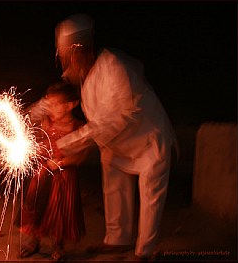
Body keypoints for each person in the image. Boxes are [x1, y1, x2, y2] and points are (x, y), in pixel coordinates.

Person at [52, 14, 178, 260]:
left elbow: (113, 120)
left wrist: (66, 144)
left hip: (148, 141)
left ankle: (145, 251)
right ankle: (118, 239)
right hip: (117, 143)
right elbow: (54, 101)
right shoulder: (81, 74)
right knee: (112, 179)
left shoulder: (114, 66)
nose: (63, 60)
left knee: (150, 197)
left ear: (78, 50)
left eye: (65, 54)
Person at [16, 81, 88, 262]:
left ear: (71, 105)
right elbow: (37, 142)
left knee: (58, 212)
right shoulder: (45, 123)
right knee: (37, 207)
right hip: (42, 174)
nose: (50, 108)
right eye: (49, 104)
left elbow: (80, 157)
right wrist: (36, 149)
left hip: (63, 178)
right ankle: (33, 241)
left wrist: (62, 162)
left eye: (55, 104)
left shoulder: (79, 128)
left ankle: (58, 246)